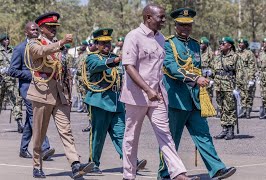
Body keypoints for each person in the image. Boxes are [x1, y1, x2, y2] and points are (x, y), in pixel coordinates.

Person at [159, 8, 236, 179]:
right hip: (176, 99)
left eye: (189, 25)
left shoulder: (194, 44)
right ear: (176, 25)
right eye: (182, 25)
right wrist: (195, 78)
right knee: (171, 140)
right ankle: (164, 174)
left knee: (203, 134)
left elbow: (196, 66)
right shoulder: (167, 43)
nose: (186, 28)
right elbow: (171, 68)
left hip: (194, 98)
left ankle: (217, 168)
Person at [120, 4, 195, 180]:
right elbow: (129, 67)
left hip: (157, 95)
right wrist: (147, 89)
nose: (163, 20)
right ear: (148, 17)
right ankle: (128, 175)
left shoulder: (161, 38)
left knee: (165, 134)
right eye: (160, 17)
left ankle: (178, 173)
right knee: (131, 137)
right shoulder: (133, 36)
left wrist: (156, 90)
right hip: (136, 96)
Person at [25, 12, 93, 178]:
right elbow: (40, 51)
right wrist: (61, 43)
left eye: (55, 27)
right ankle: (37, 166)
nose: (53, 29)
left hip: (60, 94)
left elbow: (64, 71)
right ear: (41, 29)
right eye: (50, 27)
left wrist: (68, 93)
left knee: (66, 130)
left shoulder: (57, 45)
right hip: (42, 93)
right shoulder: (34, 44)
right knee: (40, 133)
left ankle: (75, 164)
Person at [83, 28, 147, 174]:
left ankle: (131, 161)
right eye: (103, 43)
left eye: (108, 43)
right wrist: (116, 60)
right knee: (98, 135)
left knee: (122, 134)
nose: (107, 45)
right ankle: (93, 163)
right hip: (99, 101)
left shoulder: (115, 57)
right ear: (97, 44)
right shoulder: (92, 57)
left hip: (117, 103)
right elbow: (96, 66)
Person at [8, 22, 55, 160]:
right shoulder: (20, 49)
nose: (35, 31)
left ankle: (23, 149)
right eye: (32, 30)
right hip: (27, 88)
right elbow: (12, 70)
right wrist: (32, 74)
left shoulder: (41, 45)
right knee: (35, 117)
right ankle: (44, 147)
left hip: (40, 87)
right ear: (26, 32)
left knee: (30, 120)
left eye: (37, 29)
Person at [210, 36, 243, 140]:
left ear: (229, 45)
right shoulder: (217, 57)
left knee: (230, 108)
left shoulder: (235, 57)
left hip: (229, 86)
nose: (220, 45)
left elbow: (240, 72)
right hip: (218, 86)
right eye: (220, 43)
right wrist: (211, 78)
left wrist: (237, 88)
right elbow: (213, 69)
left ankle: (230, 130)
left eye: (223, 44)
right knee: (222, 108)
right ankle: (224, 129)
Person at [0, 33, 24, 133]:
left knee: (16, 101)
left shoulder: (13, 51)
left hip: (12, 81)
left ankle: (19, 123)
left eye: (8, 39)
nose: (7, 41)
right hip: (1, 81)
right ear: (1, 41)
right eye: (5, 39)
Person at [237, 38, 256, 119]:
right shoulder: (237, 53)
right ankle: (243, 110)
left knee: (248, 94)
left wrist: (251, 78)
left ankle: (248, 111)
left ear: (245, 44)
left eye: (241, 43)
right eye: (239, 43)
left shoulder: (249, 53)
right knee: (241, 94)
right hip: (238, 76)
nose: (240, 44)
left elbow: (252, 66)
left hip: (246, 76)